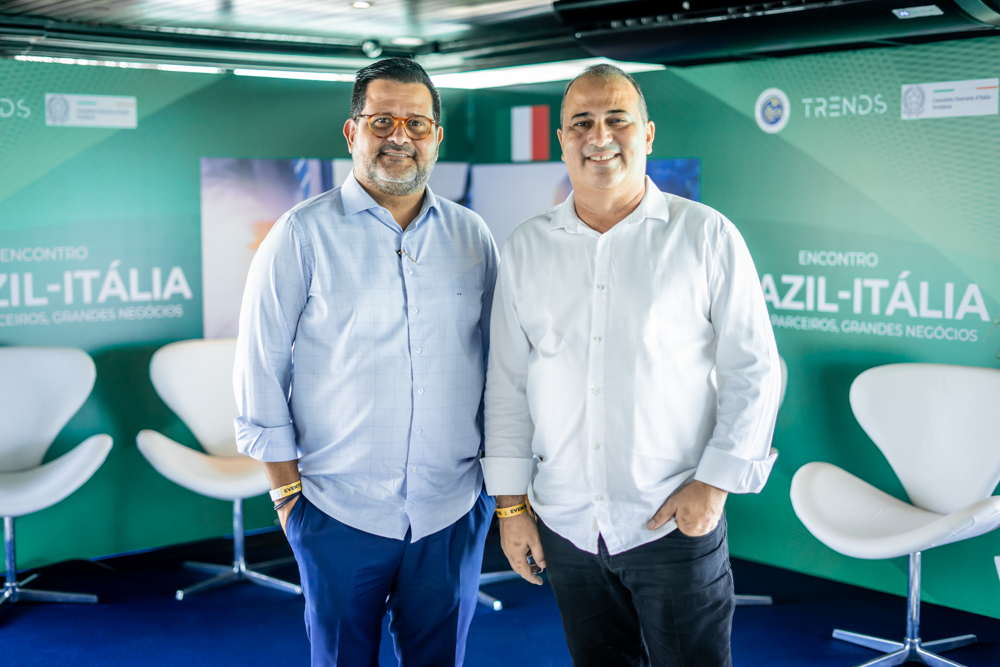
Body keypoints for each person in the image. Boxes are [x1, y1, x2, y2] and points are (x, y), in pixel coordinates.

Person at [482, 63, 781, 667]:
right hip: (566, 523)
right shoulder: (526, 247)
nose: (599, 136)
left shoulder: (705, 235)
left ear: (647, 134)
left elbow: (754, 371)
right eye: (581, 122)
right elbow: (508, 387)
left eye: (617, 119)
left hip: (671, 521)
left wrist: (715, 484)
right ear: (561, 139)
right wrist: (510, 508)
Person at [234, 57, 498, 667]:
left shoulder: (472, 235)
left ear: (437, 136)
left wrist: (492, 491)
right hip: (337, 510)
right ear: (352, 131)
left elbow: (498, 363)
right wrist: (288, 498)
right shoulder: (300, 234)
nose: (399, 136)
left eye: (415, 123)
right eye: (382, 121)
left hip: (452, 508)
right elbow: (259, 368)